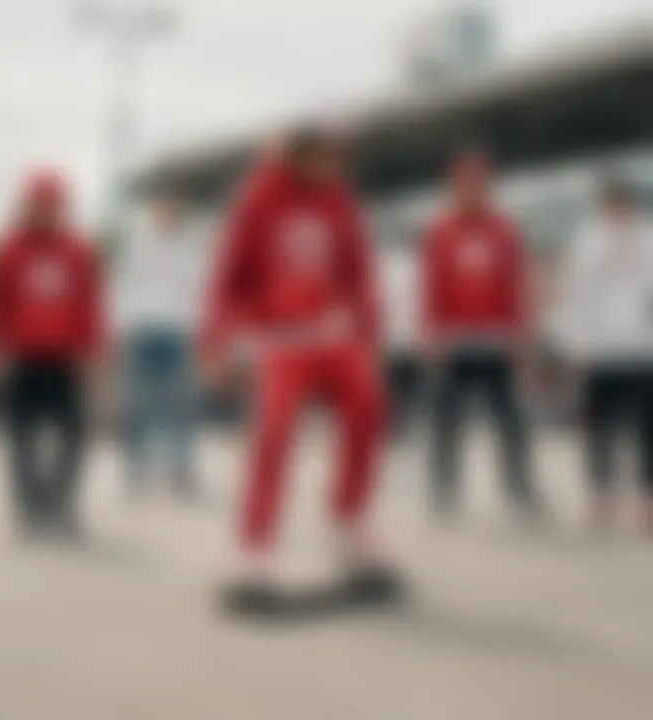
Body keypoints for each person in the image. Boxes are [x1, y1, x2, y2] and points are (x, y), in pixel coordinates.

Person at [199, 126, 397, 611]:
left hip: (335, 333)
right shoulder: (257, 198)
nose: (333, 169)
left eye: (338, 160)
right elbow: (228, 272)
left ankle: (348, 525)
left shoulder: (339, 199)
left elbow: (358, 269)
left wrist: (369, 332)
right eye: (324, 159)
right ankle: (256, 552)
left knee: (369, 415)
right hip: (280, 339)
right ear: (297, 156)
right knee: (274, 437)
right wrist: (216, 341)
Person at [0, 170, 104, 537]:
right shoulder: (8, 249)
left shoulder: (76, 250)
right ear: (26, 206)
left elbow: (89, 303)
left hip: (64, 358)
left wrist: (95, 349)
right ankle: (30, 507)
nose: (45, 211)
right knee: (21, 438)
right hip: (20, 357)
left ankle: (61, 504)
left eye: (53, 205)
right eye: (38, 204)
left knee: (74, 435)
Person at [419, 150, 539, 519]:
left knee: (512, 419)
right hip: (454, 339)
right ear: (453, 187)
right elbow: (431, 285)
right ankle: (444, 491)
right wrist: (432, 333)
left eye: (479, 184)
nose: (472, 190)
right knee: (446, 420)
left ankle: (519, 488)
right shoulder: (440, 231)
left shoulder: (505, 230)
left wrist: (521, 334)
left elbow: (515, 283)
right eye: (464, 184)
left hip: (497, 338)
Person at [560, 177, 653, 534]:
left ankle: (647, 498)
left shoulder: (648, 239)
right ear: (603, 207)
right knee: (600, 428)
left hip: (644, 347)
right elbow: (577, 296)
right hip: (601, 351)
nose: (619, 210)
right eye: (613, 204)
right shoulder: (588, 243)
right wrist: (576, 345)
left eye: (624, 203)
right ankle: (602, 495)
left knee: (648, 430)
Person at [112, 193, 202, 496]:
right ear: (153, 217)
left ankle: (179, 469)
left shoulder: (189, 250)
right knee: (138, 404)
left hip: (177, 331)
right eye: (163, 214)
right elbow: (121, 288)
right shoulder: (137, 247)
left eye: (173, 214)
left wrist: (200, 331)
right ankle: (135, 470)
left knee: (180, 403)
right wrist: (118, 329)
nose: (168, 219)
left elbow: (200, 290)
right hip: (142, 330)